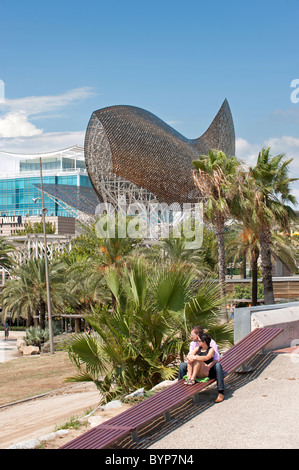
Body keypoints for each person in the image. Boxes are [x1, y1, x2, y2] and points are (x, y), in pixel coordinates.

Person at [178, 326, 225, 403]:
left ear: (198, 335)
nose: (190, 337)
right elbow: (190, 355)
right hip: (195, 365)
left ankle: (221, 391)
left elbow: (216, 358)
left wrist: (208, 366)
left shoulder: (211, 343)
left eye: (192, 335)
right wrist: (191, 358)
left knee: (218, 366)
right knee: (183, 365)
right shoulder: (193, 344)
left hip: (209, 367)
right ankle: (181, 391)